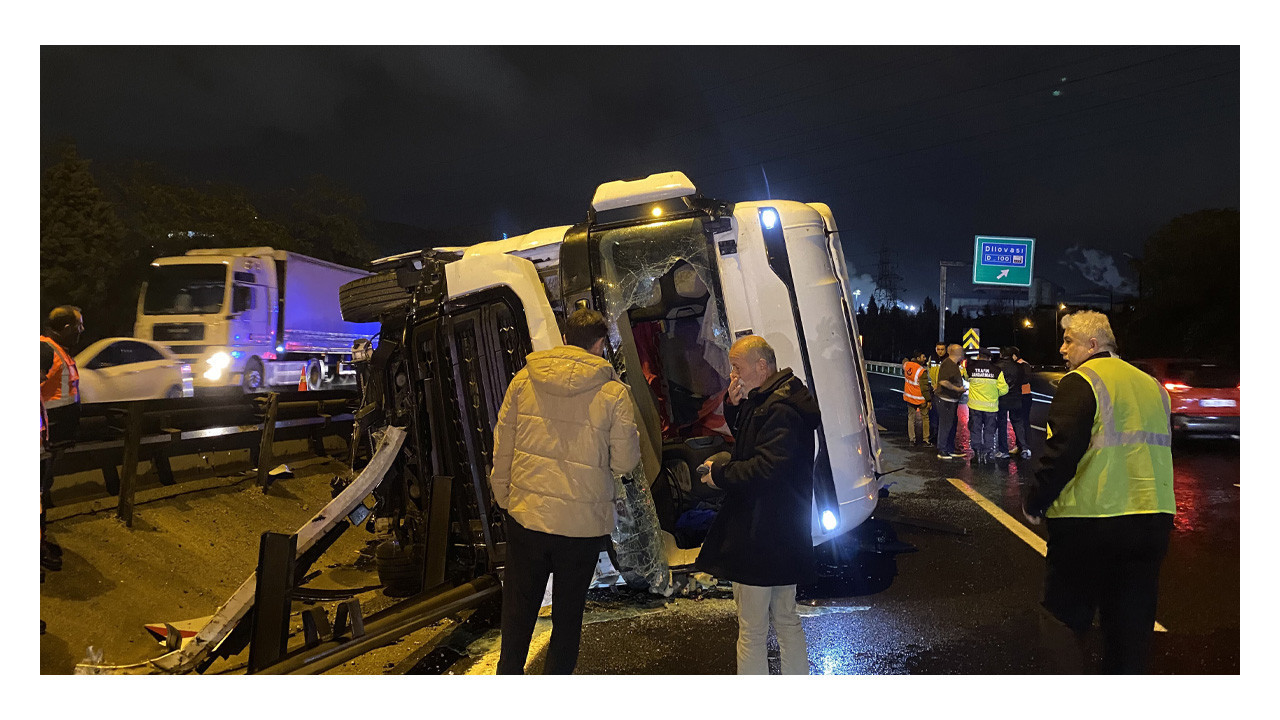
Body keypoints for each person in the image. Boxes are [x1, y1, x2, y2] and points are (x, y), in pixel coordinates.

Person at [488, 307, 642, 674]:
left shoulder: (523, 381)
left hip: (527, 517)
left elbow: (502, 445)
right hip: (581, 526)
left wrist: (505, 498)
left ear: (565, 339)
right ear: (600, 344)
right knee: (567, 618)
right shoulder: (614, 393)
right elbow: (624, 462)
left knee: (518, 614)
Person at [1022, 310, 1175, 674]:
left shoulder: (1082, 382)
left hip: (1090, 522)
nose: (1062, 349)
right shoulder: (1152, 386)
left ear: (1093, 344)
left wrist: (1035, 502)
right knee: (1131, 627)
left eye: (1068, 341)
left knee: (1063, 619)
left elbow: (1062, 453)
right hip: (1151, 522)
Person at [695, 335, 818, 675]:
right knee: (785, 618)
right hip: (783, 531)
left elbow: (764, 468)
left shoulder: (780, 410)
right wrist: (735, 406)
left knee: (752, 629)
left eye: (737, 369)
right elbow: (754, 443)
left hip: (760, 533)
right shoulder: (777, 400)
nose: (733, 376)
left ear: (761, 367)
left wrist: (719, 473)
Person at [40, 306, 83, 571]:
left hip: (50, 441)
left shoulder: (55, 350)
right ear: (66, 328)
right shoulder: (44, 351)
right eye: (79, 326)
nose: (82, 331)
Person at [963, 348, 1008, 464]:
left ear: (978, 356)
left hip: (975, 406)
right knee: (989, 430)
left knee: (975, 429)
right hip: (991, 407)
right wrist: (994, 394)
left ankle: (976, 453)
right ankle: (988, 454)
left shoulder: (970, 368)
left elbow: (966, 378)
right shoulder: (997, 371)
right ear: (990, 358)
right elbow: (1004, 389)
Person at [932, 344, 966, 460]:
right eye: (961, 351)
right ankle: (942, 450)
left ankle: (950, 449)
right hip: (945, 400)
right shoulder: (948, 364)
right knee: (945, 425)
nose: (963, 353)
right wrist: (957, 389)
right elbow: (943, 382)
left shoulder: (954, 364)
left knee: (951, 425)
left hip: (951, 400)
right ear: (957, 352)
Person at [996, 346, 1029, 459]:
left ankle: (1003, 450)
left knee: (1002, 424)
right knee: (1018, 423)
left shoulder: (997, 367)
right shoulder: (1020, 367)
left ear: (1002, 354)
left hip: (1002, 399)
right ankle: (1024, 448)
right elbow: (1025, 380)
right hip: (1017, 397)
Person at [901, 351, 931, 446]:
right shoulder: (921, 371)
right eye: (923, 357)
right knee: (925, 418)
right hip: (920, 399)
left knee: (911, 418)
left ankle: (912, 439)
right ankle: (925, 440)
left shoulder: (907, 365)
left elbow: (904, 361)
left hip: (909, 398)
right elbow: (924, 387)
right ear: (918, 358)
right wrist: (928, 400)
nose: (925, 358)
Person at [926, 342, 947, 446]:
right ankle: (934, 436)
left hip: (944, 390)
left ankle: (942, 437)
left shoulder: (948, 359)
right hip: (934, 390)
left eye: (942, 349)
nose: (940, 351)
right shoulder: (932, 358)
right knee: (934, 413)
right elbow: (929, 371)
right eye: (938, 349)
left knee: (943, 414)